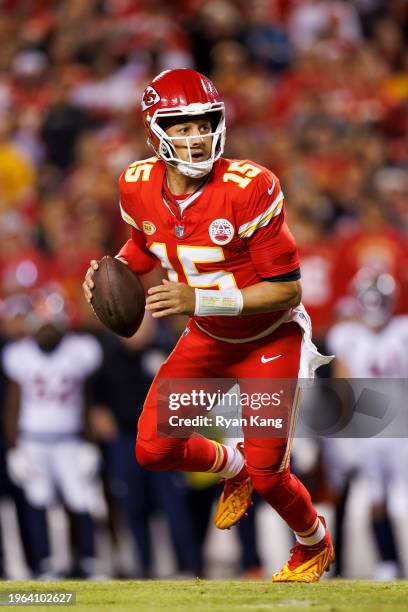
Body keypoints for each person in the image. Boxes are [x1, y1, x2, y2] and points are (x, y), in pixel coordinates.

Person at [83, 68, 334, 582]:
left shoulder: (249, 186)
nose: (196, 136)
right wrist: (114, 274)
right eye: (181, 126)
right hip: (210, 338)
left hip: (270, 335)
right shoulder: (136, 184)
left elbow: (287, 288)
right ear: (155, 130)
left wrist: (198, 298)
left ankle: (314, 543)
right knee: (153, 449)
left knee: (270, 473)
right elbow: (146, 243)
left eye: (204, 123)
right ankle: (231, 466)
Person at [2, 287, 103, 578]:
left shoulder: (79, 351)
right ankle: (46, 564)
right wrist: (14, 448)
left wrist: (89, 443)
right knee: (37, 501)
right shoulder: (19, 355)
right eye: (42, 323)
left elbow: (87, 401)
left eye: (52, 323)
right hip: (33, 441)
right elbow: (14, 404)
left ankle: (88, 560)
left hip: (70, 440)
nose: (47, 330)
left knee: (81, 500)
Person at [326, 269, 408, 579]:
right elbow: (343, 386)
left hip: (400, 425)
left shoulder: (402, 331)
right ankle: (388, 561)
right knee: (375, 496)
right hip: (369, 429)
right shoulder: (347, 336)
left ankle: (391, 562)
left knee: (396, 499)